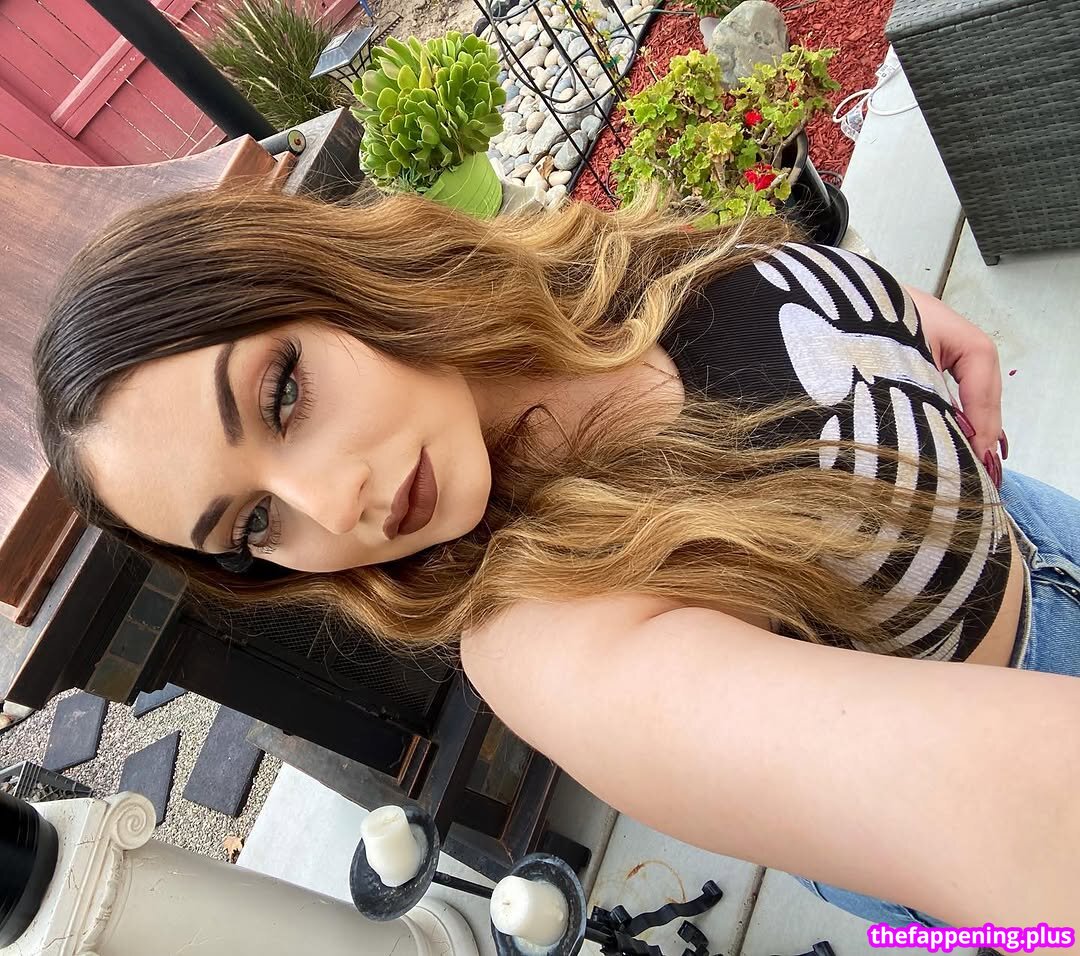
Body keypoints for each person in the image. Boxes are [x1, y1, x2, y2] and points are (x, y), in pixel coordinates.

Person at [32, 185, 1080, 936]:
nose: (333, 505)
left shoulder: (572, 277)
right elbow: (1028, 816)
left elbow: (767, 339)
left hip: (1034, 533)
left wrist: (893, 320)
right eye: (255, 523)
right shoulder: (546, 640)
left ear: (327, 280)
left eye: (282, 394)